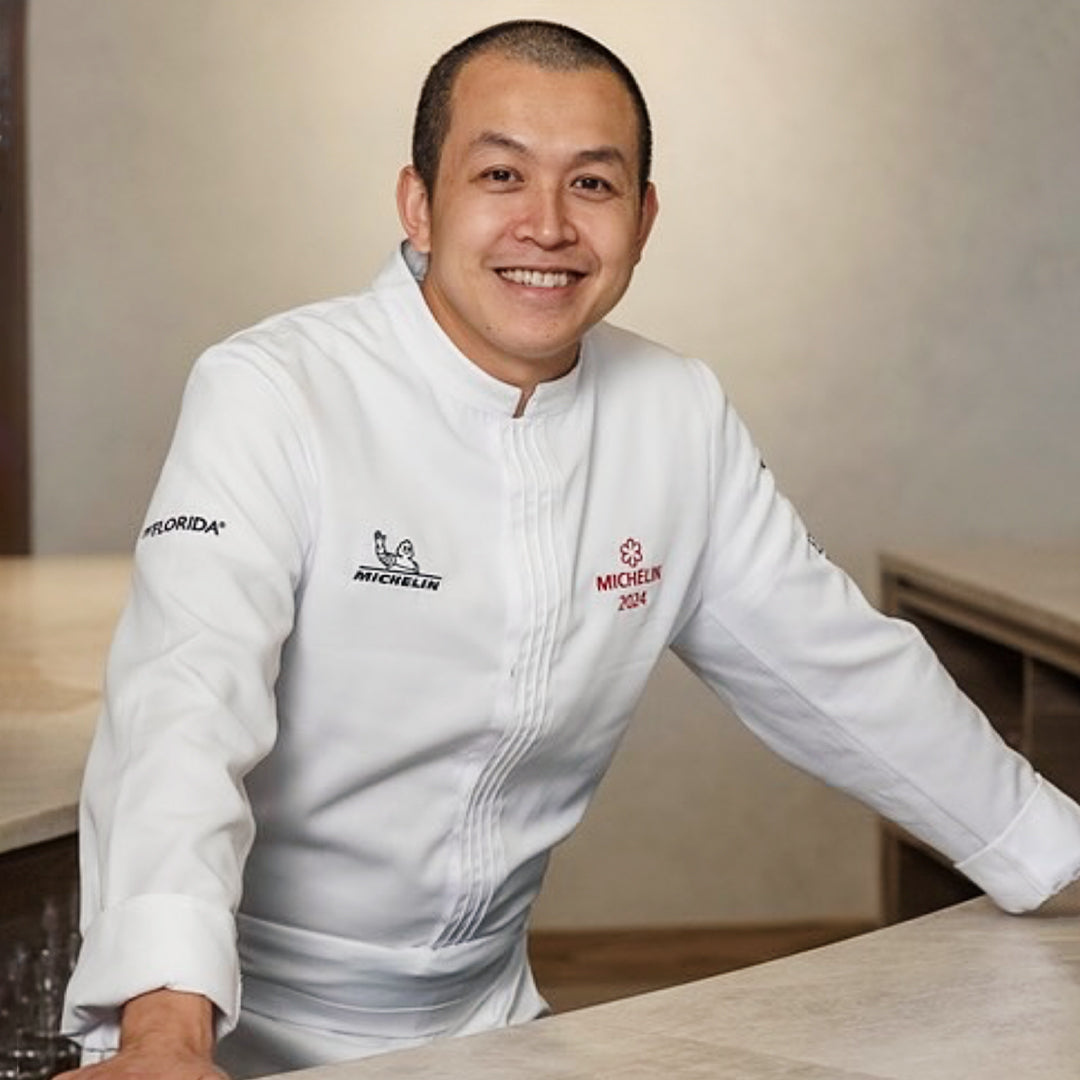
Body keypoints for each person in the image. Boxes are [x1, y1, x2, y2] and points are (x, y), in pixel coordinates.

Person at [60, 18, 1080, 1080]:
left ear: (642, 221)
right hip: (233, 1013)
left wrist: (1061, 860)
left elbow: (841, 673)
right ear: (419, 202)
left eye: (591, 186)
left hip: (493, 1016)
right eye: (501, 174)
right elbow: (185, 701)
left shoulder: (675, 414)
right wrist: (164, 1030)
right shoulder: (272, 390)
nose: (546, 227)